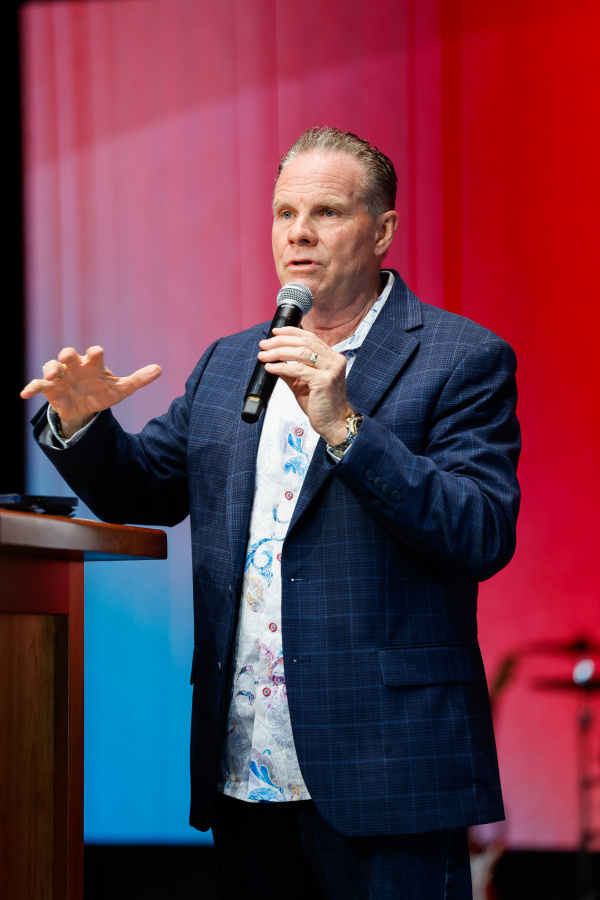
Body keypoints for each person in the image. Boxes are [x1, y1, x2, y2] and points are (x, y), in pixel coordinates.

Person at [21, 127, 521, 899]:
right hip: (246, 765)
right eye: (285, 212)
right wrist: (82, 426)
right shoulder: (231, 363)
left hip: (387, 766)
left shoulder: (461, 358)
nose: (299, 233)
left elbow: (480, 531)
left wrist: (346, 427)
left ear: (383, 231)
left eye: (327, 212)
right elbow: (144, 490)